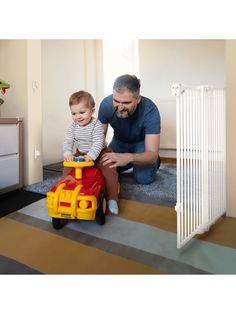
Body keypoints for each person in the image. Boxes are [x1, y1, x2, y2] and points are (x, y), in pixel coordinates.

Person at [63, 90, 119, 215]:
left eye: (82, 112)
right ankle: (67, 192)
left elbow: (98, 142)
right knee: (67, 168)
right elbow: (68, 140)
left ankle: (112, 198)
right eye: (74, 113)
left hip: (100, 153)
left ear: (92, 111)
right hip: (81, 154)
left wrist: (91, 156)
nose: (78, 116)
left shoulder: (96, 125)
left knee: (110, 170)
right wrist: (68, 153)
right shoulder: (73, 127)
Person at [98, 74, 161, 184]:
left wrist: (128, 157)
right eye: (116, 101)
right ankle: (134, 161)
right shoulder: (106, 105)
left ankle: (155, 162)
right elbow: (99, 139)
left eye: (126, 103)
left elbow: (151, 153)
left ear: (138, 99)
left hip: (142, 145)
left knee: (143, 178)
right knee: (101, 172)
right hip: (119, 142)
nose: (120, 107)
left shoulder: (150, 110)